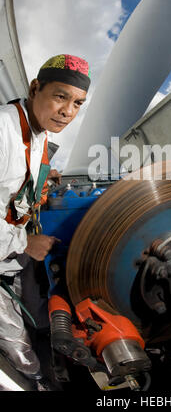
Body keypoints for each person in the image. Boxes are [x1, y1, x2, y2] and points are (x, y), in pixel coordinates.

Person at [0, 54, 90, 389]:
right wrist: (24, 243)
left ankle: (46, 343)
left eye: (79, 102)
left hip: (10, 242)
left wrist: (42, 176)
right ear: (36, 88)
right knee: (15, 339)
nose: (69, 112)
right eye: (61, 96)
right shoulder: (2, 130)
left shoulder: (37, 128)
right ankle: (37, 379)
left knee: (35, 304)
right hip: (7, 244)